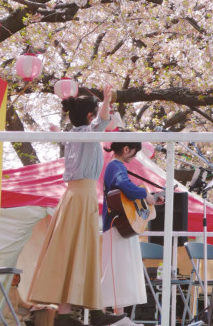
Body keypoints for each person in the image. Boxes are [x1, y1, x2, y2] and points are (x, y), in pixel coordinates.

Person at [27, 83, 126, 326]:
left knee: (71, 252)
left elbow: (102, 120)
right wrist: (105, 100)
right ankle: (91, 313)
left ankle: (68, 315)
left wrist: (103, 103)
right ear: (90, 116)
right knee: (82, 251)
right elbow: (103, 121)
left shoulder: (72, 135)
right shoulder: (86, 133)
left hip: (74, 197)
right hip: (82, 197)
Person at [100, 142, 164, 326]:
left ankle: (117, 318)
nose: (133, 157)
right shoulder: (116, 165)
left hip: (117, 225)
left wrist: (148, 199)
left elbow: (123, 191)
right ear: (126, 148)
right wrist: (144, 193)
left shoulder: (114, 166)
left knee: (119, 271)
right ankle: (110, 318)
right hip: (115, 225)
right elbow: (122, 184)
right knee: (115, 271)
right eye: (134, 153)